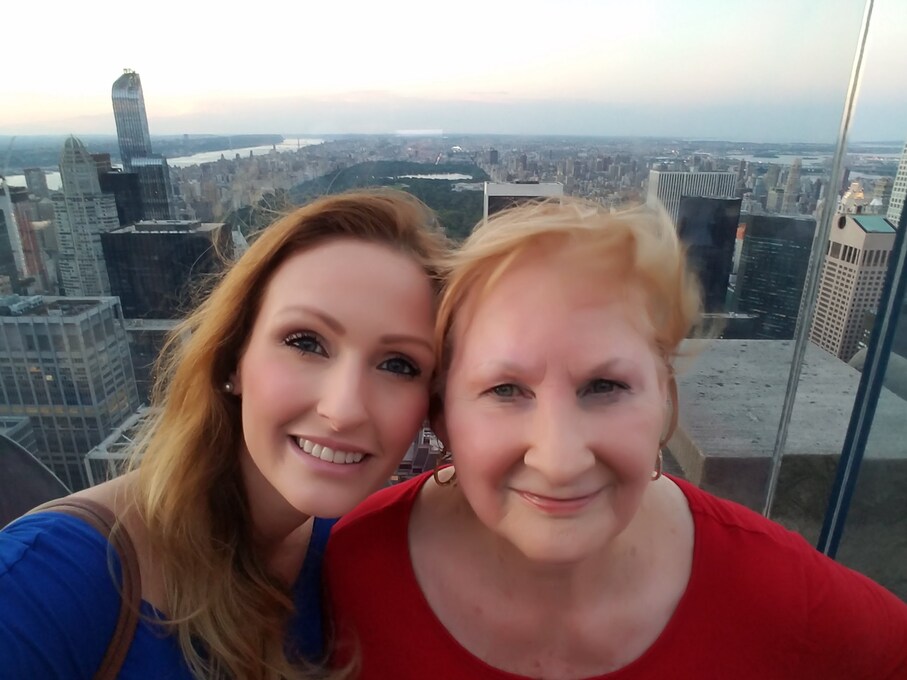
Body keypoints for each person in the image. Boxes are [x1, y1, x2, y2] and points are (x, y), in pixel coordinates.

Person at [325, 198, 907, 679]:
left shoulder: (771, 589)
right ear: (443, 416)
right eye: (505, 390)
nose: (558, 460)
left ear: (665, 402)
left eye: (605, 386)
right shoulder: (354, 570)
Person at [0, 190, 448, 679]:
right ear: (232, 358)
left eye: (398, 364)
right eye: (306, 343)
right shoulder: (44, 583)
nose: (343, 410)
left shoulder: (354, 555)